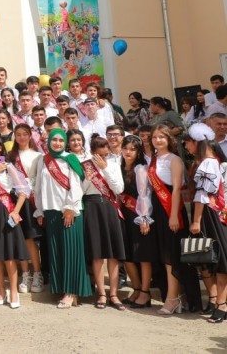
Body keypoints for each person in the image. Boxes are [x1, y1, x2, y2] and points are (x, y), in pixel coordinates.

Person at [33, 128, 91, 308]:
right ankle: (62, 288)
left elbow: (76, 186)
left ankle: (72, 291)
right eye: (54, 140)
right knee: (57, 251)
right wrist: (40, 210)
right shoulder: (44, 160)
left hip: (68, 212)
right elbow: (39, 187)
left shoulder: (70, 159)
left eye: (60, 140)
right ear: (49, 141)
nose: (57, 143)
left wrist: (70, 209)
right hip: (50, 212)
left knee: (71, 252)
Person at [148, 124, 200, 314]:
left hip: (171, 210)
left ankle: (172, 299)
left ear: (169, 139)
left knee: (172, 256)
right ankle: (177, 296)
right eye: (154, 137)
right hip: (157, 210)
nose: (158, 140)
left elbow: (177, 189)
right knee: (164, 256)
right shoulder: (154, 160)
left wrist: (173, 216)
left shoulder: (174, 159)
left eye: (161, 137)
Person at [0, 136, 29, 308]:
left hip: (5, 210)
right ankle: (1, 290)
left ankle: (13, 291)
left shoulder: (8, 167)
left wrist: (16, 211)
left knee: (8, 255)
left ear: (0, 147)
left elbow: (24, 190)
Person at [80, 135, 126, 310]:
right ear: (93, 153)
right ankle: (101, 293)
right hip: (92, 207)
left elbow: (119, 189)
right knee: (97, 254)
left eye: (106, 154)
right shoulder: (86, 166)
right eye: (100, 155)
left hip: (109, 206)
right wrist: (88, 177)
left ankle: (113, 294)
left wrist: (105, 169)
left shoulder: (113, 165)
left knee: (113, 254)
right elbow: (82, 191)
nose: (103, 158)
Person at [190, 138, 227, 322]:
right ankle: (219, 301)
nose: (188, 146)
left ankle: (221, 303)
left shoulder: (208, 162)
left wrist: (196, 220)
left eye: (190, 142)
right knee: (212, 258)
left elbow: (202, 194)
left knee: (218, 259)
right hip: (216, 212)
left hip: (210, 214)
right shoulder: (217, 163)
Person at [118, 135, 157, 309]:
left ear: (139, 152)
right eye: (125, 148)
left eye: (132, 149)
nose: (128, 152)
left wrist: (144, 218)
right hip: (123, 216)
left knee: (143, 255)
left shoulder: (140, 169)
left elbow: (144, 195)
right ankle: (136, 288)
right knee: (127, 255)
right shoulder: (118, 168)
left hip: (138, 216)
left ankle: (145, 293)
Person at [8, 124, 44, 294]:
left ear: (30, 136)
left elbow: (39, 180)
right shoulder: (9, 156)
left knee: (30, 239)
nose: (21, 137)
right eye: (18, 134)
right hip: (14, 201)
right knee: (19, 239)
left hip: (30, 200)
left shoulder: (38, 156)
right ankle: (26, 274)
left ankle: (37, 274)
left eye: (24, 134)